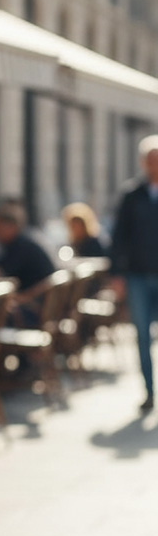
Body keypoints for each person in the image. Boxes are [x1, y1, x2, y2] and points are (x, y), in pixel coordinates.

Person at [111, 135, 158, 413]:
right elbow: (119, 237)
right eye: (150, 161)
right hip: (138, 276)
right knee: (142, 334)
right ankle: (149, 391)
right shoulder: (131, 195)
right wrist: (117, 275)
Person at [0, 202, 55, 292]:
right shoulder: (17, 243)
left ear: (11, 227)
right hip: (40, 298)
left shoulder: (20, 247)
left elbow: (3, 274)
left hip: (36, 301)